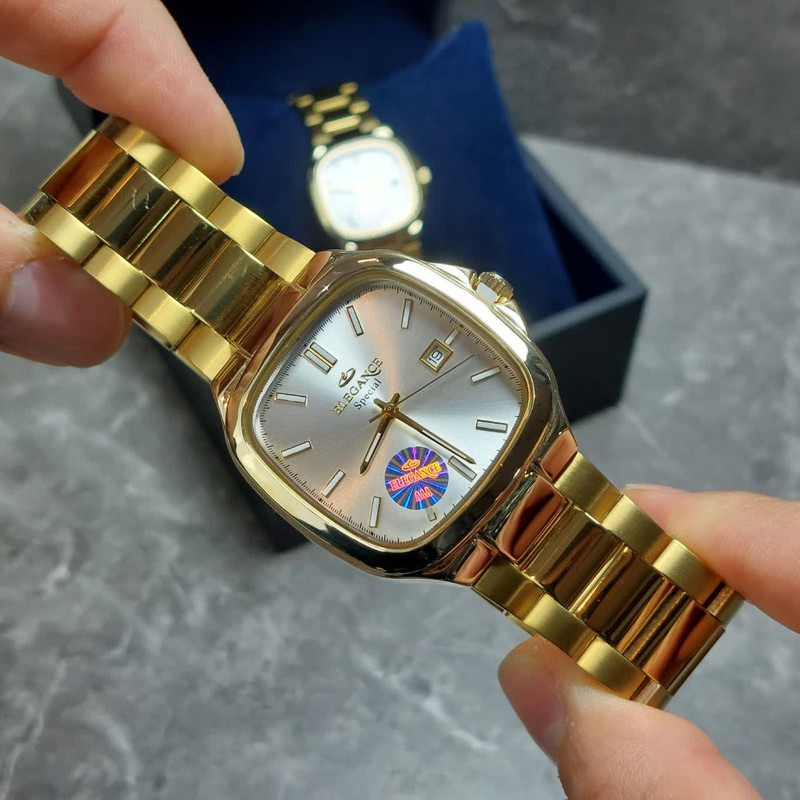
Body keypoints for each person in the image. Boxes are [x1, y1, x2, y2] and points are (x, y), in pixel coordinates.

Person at [0, 3, 795, 797]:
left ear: (486, 304)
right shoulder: (252, 414)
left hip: (515, 456)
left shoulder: (336, 324)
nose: (384, 406)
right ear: (487, 295)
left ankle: (670, 631)